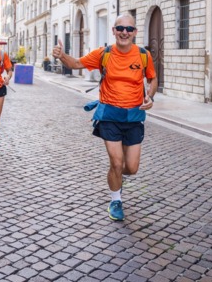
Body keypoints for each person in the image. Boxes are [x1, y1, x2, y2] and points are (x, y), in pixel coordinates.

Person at [52, 14, 158, 221]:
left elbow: (153, 79)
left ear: (135, 32)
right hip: (109, 115)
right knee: (117, 163)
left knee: (131, 168)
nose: (124, 32)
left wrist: (150, 96)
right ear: (113, 31)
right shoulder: (104, 54)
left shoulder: (143, 55)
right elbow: (76, 63)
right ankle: (115, 200)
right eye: (120, 28)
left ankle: (117, 177)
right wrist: (61, 55)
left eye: (129, 29)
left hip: (134, 117)